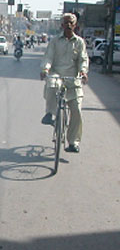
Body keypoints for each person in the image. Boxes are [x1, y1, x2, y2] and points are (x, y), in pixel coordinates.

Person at [40, 13, 89, 153]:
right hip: (57, 74)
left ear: (75, 26)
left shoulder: (79, 42)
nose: (68, 25)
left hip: (73, 78)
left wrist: (83, 72)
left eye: (71, 23)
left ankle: (73, 142)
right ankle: (50, 113)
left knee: (77, 111)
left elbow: (83, 59)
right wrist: (45, 69)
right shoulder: (55, 41)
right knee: (52, 83)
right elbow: (48, 57)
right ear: (61, 25)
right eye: (65, 23)